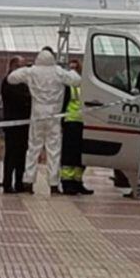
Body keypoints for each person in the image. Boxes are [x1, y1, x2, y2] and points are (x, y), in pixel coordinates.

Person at [7, 48, 81, 194]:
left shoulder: (32, 71)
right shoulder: (59, 72)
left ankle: (28, 181)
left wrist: (26, 70)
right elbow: (77, 81)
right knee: (54, 151)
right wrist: (72, 71)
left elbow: (11, 78)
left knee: (33, 149)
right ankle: (53, 184)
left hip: (37, 116)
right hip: (54, 116)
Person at [60, 59, 93, 195]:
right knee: (69, 154)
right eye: (71, 68)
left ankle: (78, 181)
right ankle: (67, 182)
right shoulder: (67, 85)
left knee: (80, 154)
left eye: (75, 67)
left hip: (83, 122)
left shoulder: (84, 84)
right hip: (70, 121)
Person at [1, 56, 32, 194]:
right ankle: (7, 183)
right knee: (12, 154)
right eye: (21, 67)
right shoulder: (10, 81)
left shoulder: (23, 82)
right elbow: (21, 99)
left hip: (24, 123)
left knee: (21, 154)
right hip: (13, 122)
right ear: (14, 67)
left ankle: (19, 182)